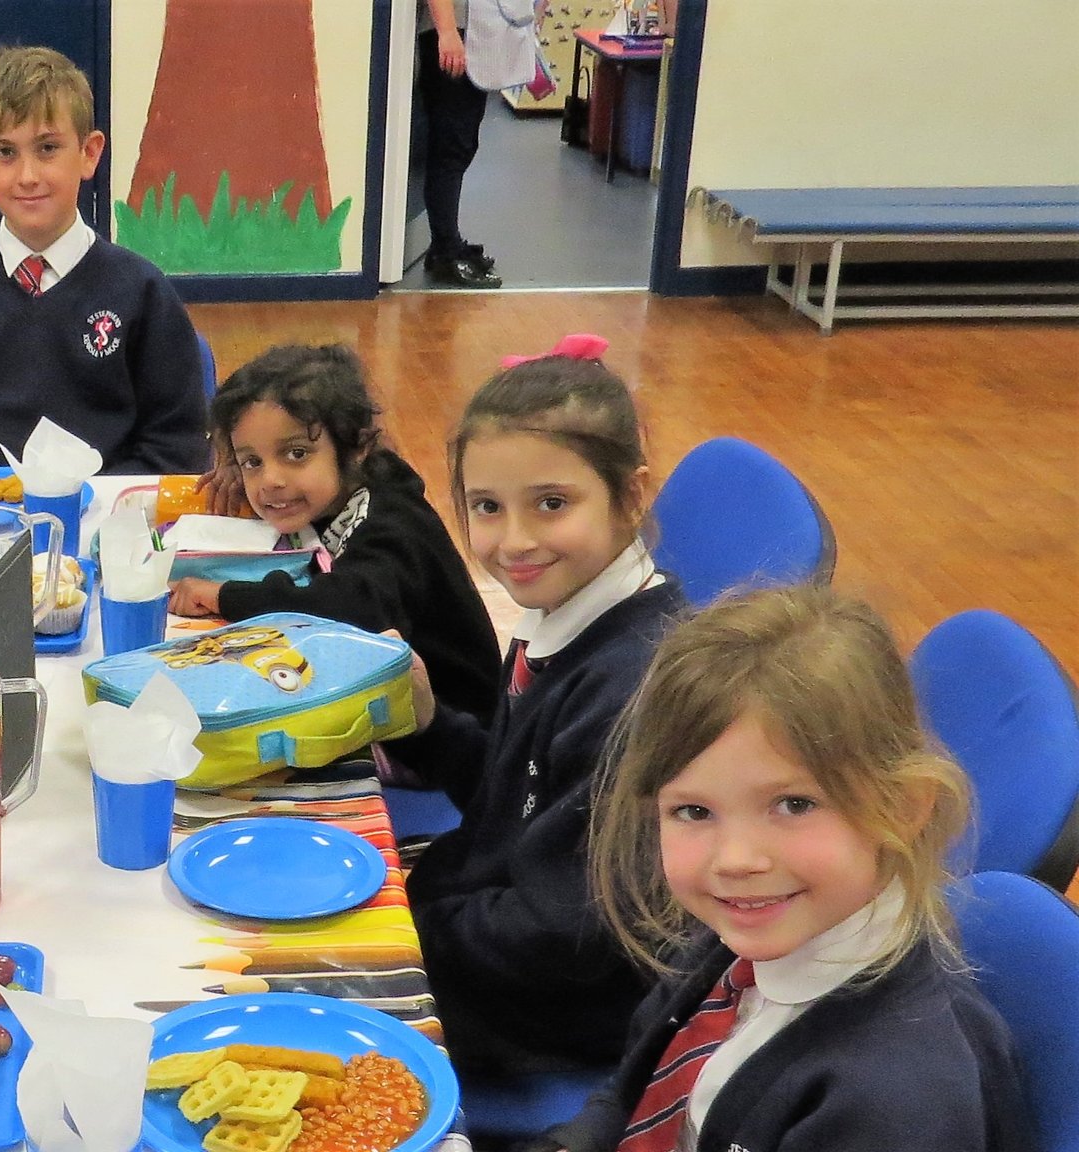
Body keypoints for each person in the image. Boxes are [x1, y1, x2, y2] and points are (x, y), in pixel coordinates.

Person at [540, 585, 1034, 1152]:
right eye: (693, 811)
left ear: (903, 805)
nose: (736, 860)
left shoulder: (891, 1103)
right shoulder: (748, 935)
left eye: (794, 805)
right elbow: (626, 1095)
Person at [377, 336, 687, 1076]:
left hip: (553, 1016)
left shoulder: (632, 691)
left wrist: (403, 926)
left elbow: (559, 937)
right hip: (498, 937)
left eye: (551, 504)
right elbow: (519, 797)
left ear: (632, 493)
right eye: (487, 506)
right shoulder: (567, 609)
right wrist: (426, 725)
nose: (514, 542)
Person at [0, 44, 210, 475]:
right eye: (5, 153)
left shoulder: (143, 293)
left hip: (102, 525)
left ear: (89, 153)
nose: (27, 176)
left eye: (47, 149)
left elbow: (177, 446)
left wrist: (92, 505)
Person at [167, 343, 499, 724]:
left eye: (296, 454)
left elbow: (352, 611)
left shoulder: (392, 523)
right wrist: (244, 472)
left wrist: (224, 595)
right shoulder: (349, 485)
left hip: (449, 737)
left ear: (356, 446)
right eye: (252, 461)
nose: (271, 481)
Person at [416, 0, 502, 288]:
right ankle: (446, 249)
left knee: (460, 143)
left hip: (468, 31)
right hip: (454, 32)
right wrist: (448, 32)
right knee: (452, 144)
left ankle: (445, 242)